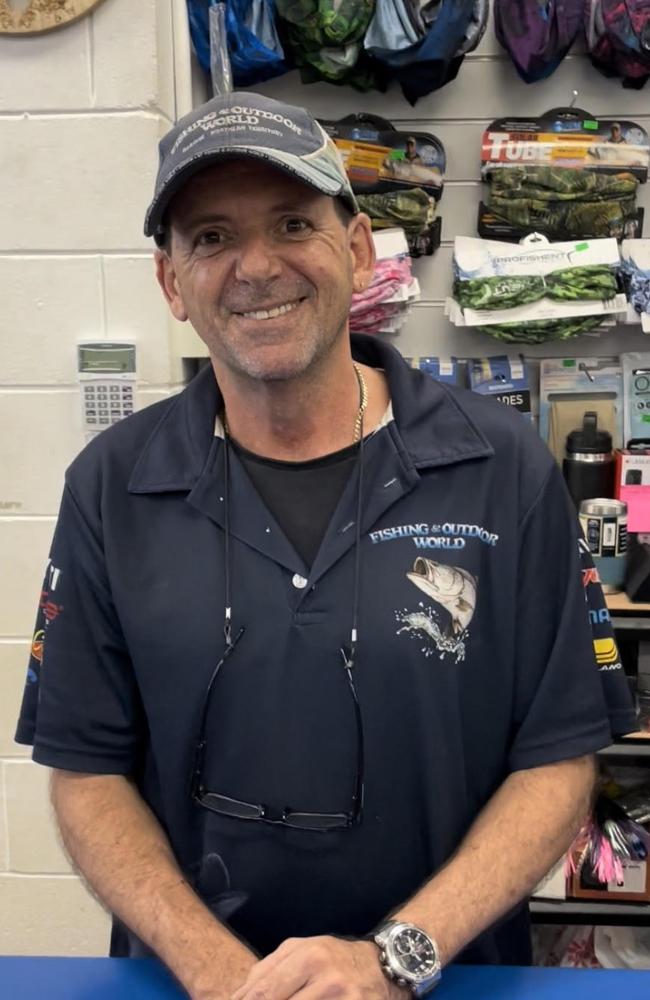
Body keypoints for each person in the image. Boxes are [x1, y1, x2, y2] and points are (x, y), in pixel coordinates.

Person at [16, 92, 636, 1000]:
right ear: (169, 282)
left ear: (353, 250)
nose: (255, 267)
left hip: (447, 979)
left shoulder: (503, 469)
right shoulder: (113, 486)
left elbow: (558, 758)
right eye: (212, 237)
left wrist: (394, 960)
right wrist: (223, 976)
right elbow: (87, 770)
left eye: (292, 223)